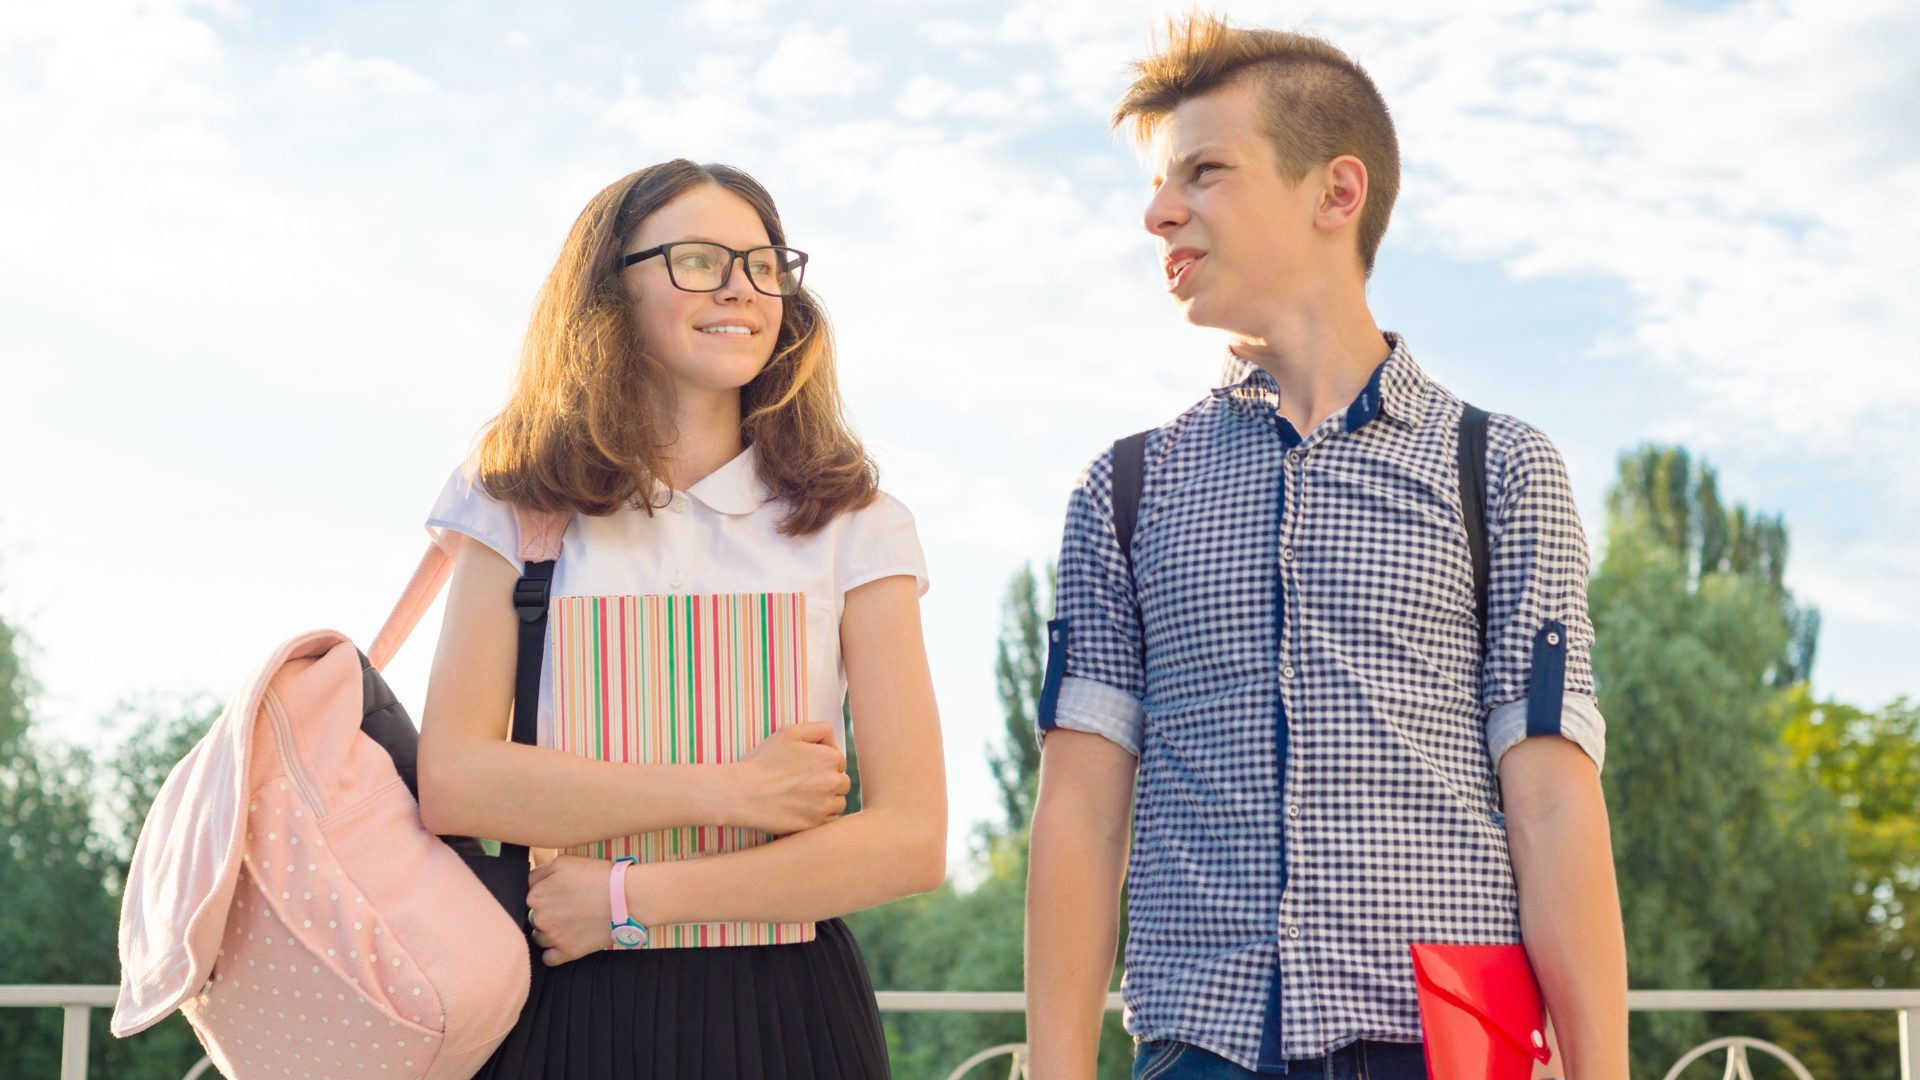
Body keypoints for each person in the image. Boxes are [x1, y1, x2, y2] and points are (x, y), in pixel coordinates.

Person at [1025, 16, 1628, 1080]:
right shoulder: (1122, 491)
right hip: (1202, 1048)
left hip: (1453, 1045)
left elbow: (1551, 803)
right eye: (1164, 182)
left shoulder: (1504, 470)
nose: (1159, 210)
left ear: (1335, 193)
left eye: (1205, 172)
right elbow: (1078, 819)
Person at [416, 159, 946, 1080]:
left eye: (764, 262)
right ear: (607, 291)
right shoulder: (516, 505)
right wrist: (728, 791)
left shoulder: (859, 524)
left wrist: (630, 898)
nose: (742, 286)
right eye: (699, 260)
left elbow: (910, 839)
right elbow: (456, 780)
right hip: (558, 1007)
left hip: (790, 1018)